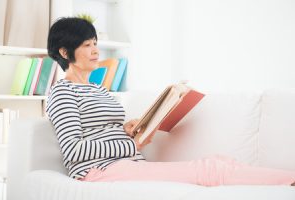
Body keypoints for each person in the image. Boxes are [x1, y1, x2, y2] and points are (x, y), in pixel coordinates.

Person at [46, 17, 295, 186]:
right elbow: (74, 150)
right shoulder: (62, 92)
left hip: (124, 165)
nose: (95, 51)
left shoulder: (99, 89)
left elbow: (101, 130)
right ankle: (290, 180)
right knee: (211, 169)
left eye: (96, 44)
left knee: (220, 161)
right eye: (87, 45)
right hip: (98, 173)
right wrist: (131, 145)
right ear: (65, 53)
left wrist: (128, 129)